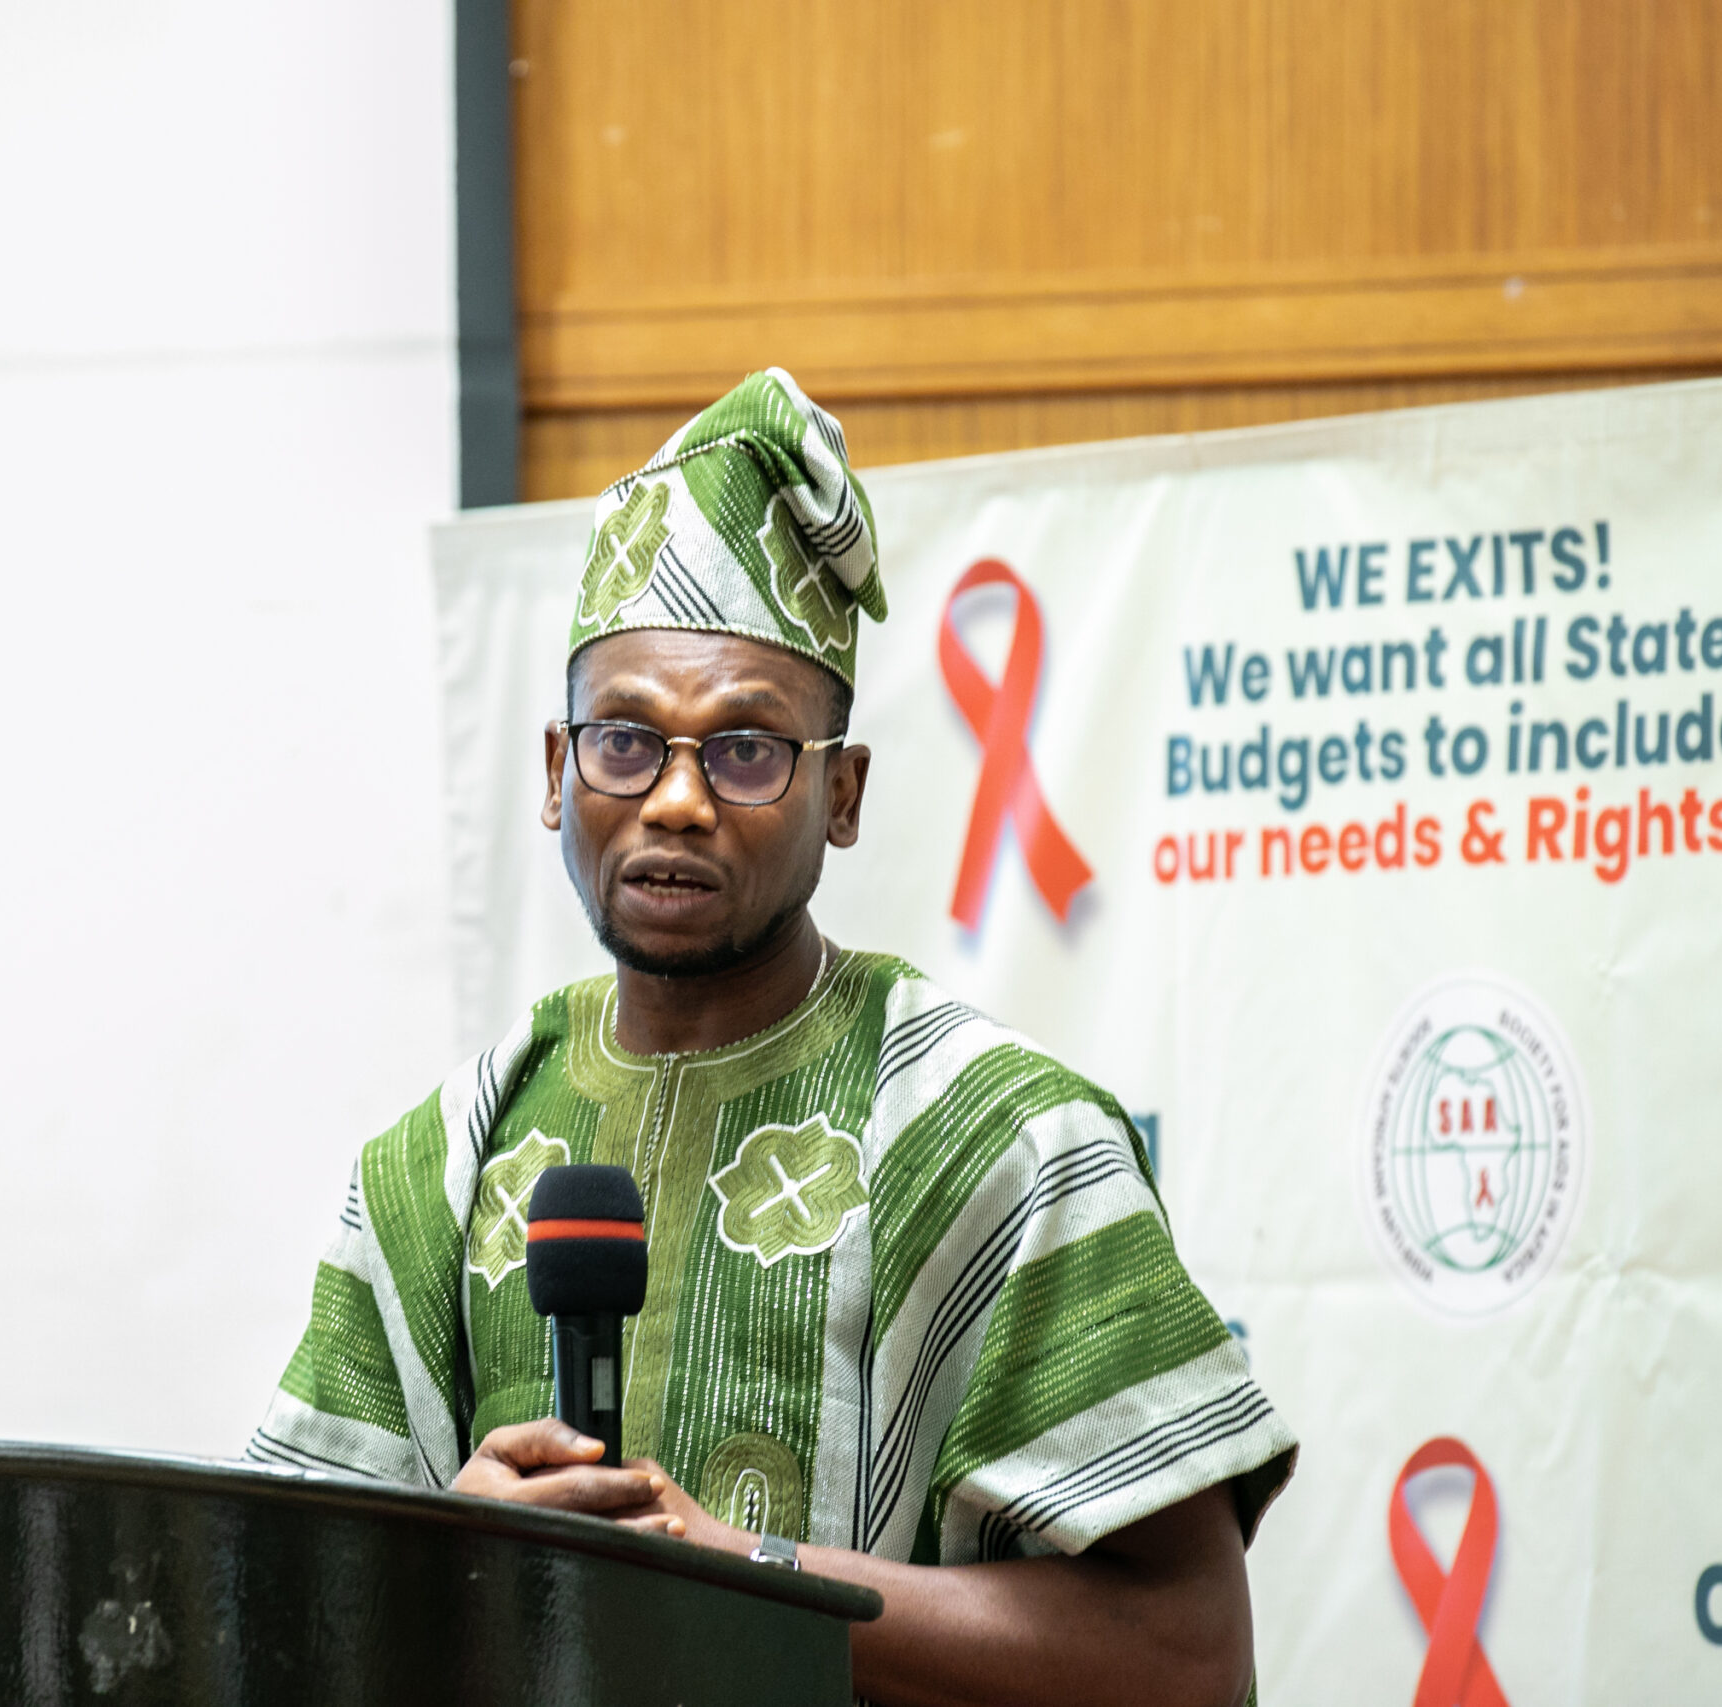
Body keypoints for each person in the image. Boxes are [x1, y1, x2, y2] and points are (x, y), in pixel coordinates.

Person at [246, 369, 1297, 1707]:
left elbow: (1187, 1661)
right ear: (556, 772)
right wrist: (449, 1560)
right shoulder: (435, 1171)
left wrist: (719, 1565)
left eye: (746, 751)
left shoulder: (1006, 1144)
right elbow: (263, 1621)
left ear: (842, 793)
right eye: (627, 741)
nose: (677, 799)